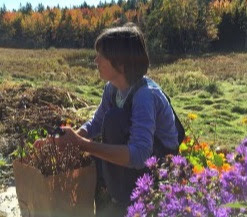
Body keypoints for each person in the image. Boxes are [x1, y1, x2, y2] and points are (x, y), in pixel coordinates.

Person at [35, 23, 179, 216]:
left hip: (160, 164)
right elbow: (95, 123)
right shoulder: (112, 89)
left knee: (111, 123)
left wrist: (82, 144)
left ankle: (124, 200)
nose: (95, 60)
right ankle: (113, 194)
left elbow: (140, 155)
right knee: (103, 131)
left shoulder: (145, 96)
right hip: (136, 156)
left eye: (100, 56)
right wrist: (71, 139)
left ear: (120, 63)